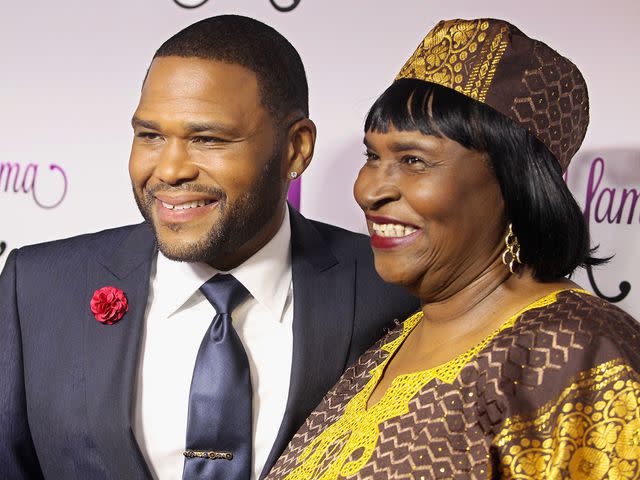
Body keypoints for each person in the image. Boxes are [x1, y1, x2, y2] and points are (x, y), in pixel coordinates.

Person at [0, 15, 419, 480]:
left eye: (208, 139)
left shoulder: (394, 287)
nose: (171, 168)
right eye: (150, 135)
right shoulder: (35, 288)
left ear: (296, 148)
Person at [266, 18, 640, 479]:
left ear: (513, 184)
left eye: (414, 161)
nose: (368, 191)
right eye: (373, 156)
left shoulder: (584, 353)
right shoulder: (388, 345)